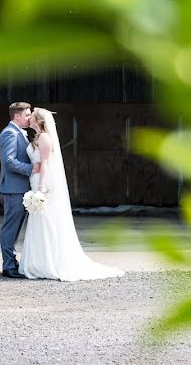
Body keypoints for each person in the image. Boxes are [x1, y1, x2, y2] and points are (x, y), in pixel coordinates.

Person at [19, 107, 125, 281]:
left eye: (31, 117)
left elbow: (45, 164)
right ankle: (36, 261)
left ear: (38, 121)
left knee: (46, 220)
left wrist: (41, 188)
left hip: (42, 182)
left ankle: (48, 263)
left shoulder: (45, 138)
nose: (28, 118)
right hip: (34, 179)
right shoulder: (37, 137)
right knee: (37, 220)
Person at [0, 101, 34, 279]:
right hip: (13, 189)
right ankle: (8, 266)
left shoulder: (20, 133)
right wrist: (32, 169)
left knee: (15, 228)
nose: (30, 118)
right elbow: (9, 161)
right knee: (10, 229)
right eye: (27, 115)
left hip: (19, 189)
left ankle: (12, 262)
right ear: (16, 116)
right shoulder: (9, 134)